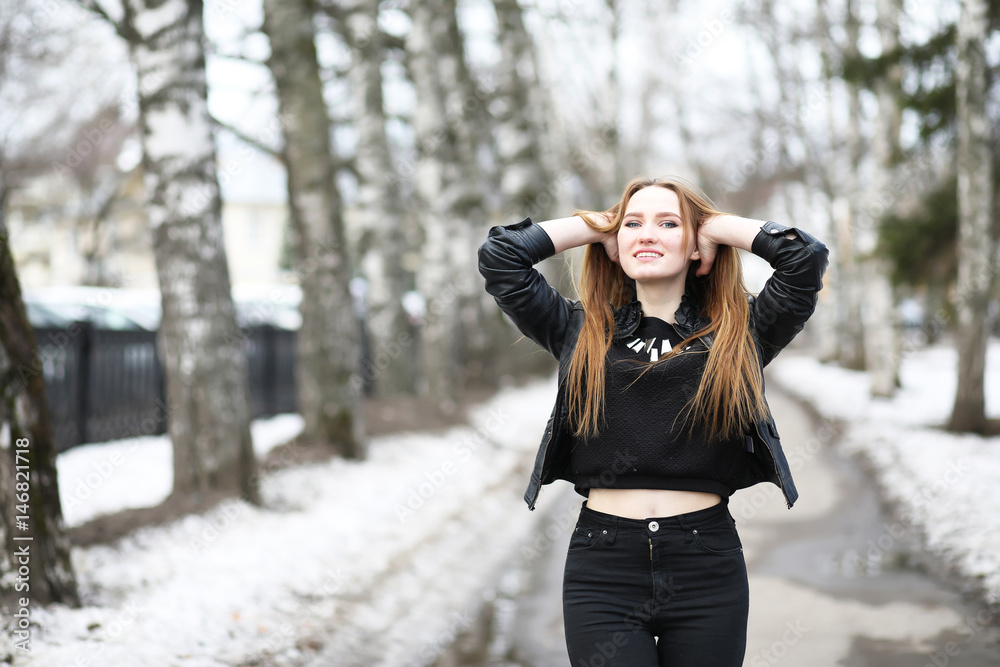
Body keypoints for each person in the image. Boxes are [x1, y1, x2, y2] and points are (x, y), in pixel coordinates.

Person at [477, 176, 829, 666]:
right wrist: (595, 226)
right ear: (615, 247)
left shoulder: (738, 332)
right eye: (633, 224)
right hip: (603, 566)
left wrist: (716, 225)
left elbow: (804, 258)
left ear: (694, 247)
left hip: (705, 563)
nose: (647, 233)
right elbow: (501, 257)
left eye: (669, 224)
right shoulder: (579, 329)